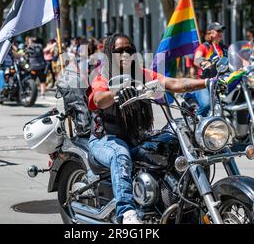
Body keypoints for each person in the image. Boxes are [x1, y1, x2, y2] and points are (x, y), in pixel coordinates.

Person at [88, 33, 215, 224]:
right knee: (120, 154)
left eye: (129, 49)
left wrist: (208, 82)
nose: (125, 54)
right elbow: (98, 99)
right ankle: (127, 213)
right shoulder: (103, 77)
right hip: (105, 139)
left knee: (176, 139)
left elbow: (176, 83)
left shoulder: (142, 74)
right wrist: (117, 91)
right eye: (119, 51)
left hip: (136, 136)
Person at [189, 22, 228, 117]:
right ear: (210, 33)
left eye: (221, 30)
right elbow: (197, 59)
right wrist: (204, 62)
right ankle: (197, 124)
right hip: (204, 83)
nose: (220, 32)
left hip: (221, 82)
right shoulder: (204, 47)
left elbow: (235, 57)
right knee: (206, 104)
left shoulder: (224, 48)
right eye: (218, 30)